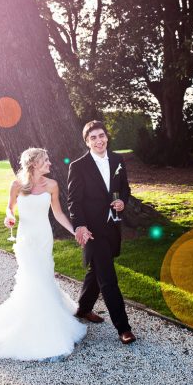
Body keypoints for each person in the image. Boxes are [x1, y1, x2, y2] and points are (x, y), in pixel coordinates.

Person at [0, 148, 86, 361]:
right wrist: (8, 217)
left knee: (44, 276)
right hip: (25, 239)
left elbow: (58, 213)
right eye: (45, 160)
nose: (50, 163)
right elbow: (9, 208)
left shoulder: (52, 185)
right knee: (31, 278)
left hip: (43, 238)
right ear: (33, 164)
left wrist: (74, 231)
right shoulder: (16, 185)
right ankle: (29, 321)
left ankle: (48, 320)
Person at [68, 120, 136, 344]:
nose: (99, 140)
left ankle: (84, 309)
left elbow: (124, 188)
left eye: (101, 136)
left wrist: (122, 203)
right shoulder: (78, 166)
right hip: (93, 230)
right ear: (87, 142)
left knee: (96, 269)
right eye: (93, 138)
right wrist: (80, 226)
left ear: (107, 137)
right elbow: (74, 201)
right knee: (107, 278)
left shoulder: (117, 159)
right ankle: (123, 328)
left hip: (112, 226)